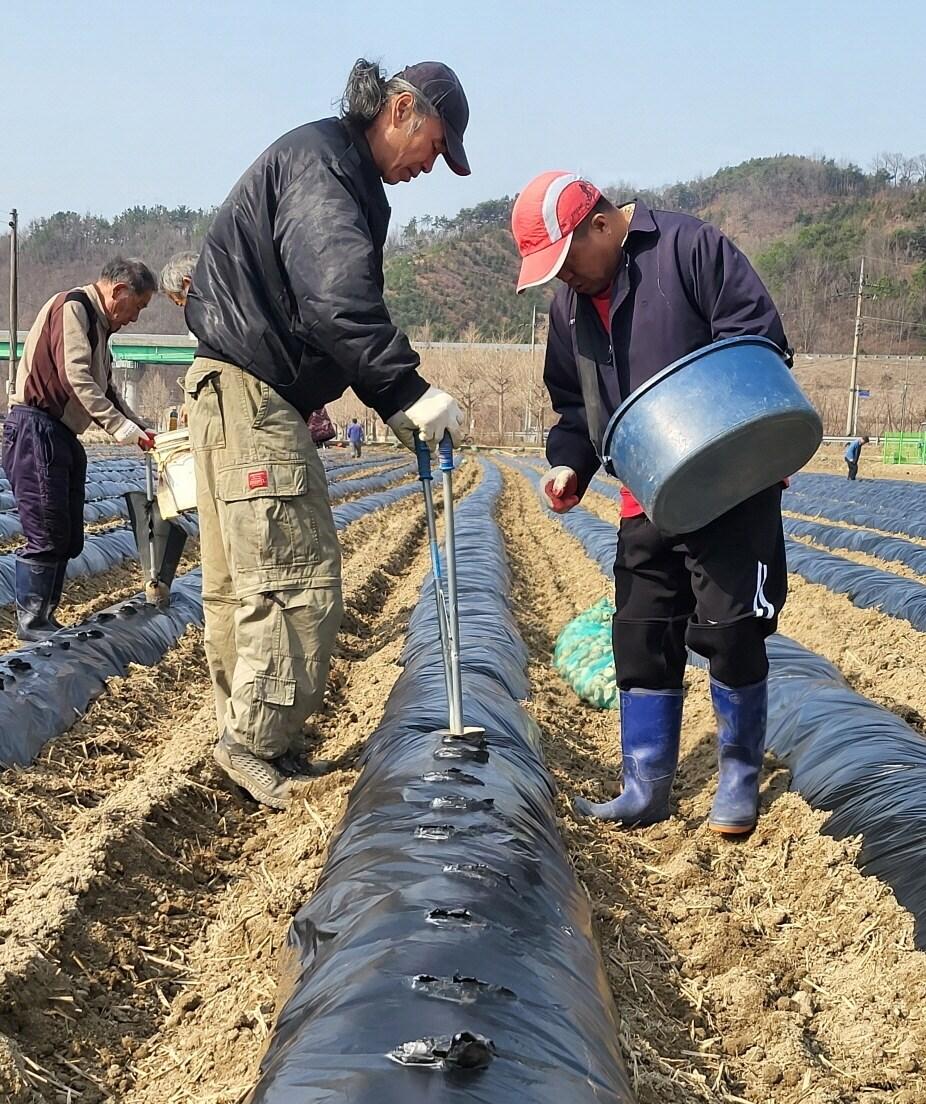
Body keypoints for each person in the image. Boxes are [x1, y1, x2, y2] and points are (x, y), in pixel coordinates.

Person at [182, 58, 468, 809]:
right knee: (295, 578)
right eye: (435, 146)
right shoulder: (326, 170)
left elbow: (329, 308)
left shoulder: (325, 164)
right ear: (401, 109)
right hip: (255, 394)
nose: (429, 166)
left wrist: (391, 397)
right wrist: (406, 390)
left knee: (244, 582)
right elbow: (337, 303)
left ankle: (250, 737)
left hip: (228, 389)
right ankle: (253, 742)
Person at [512, 172, 792, 837]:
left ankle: (738, 775)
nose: (565, 278)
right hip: (646, 492)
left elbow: (758, 341)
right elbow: (574, 409)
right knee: (640, 634)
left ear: (601, 224)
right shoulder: (569, 311)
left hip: (728, 484)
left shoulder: (690, 250)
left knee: (730, 630)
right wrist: (568, 465)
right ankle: (645, 784)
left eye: (566, 259)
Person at [3, 259, 156, 641]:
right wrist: (122, 429)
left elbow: (106, 390)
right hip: (36, 428)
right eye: (137, 307)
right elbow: (77, 377)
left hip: (62, 434)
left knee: (69, 535)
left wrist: (140, 426)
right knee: (47, 529)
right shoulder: (73, 308)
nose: (134, 318)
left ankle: (46, 617)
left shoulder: (101, 330)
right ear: (119, 292)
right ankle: (32, 623)